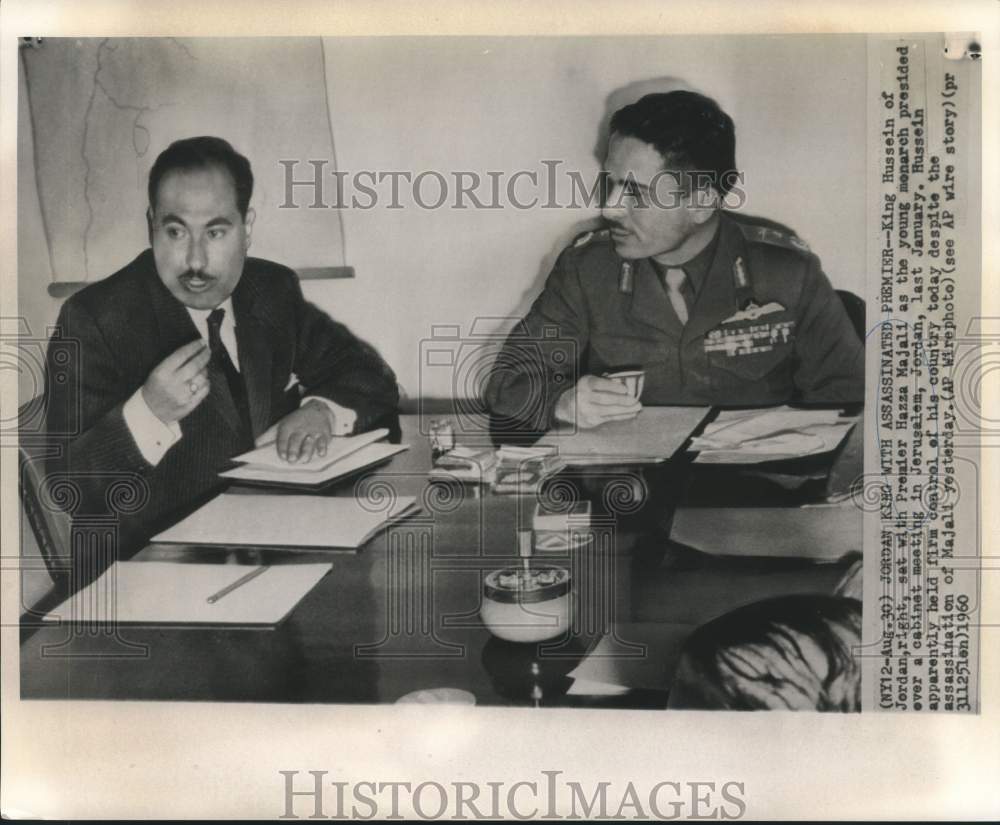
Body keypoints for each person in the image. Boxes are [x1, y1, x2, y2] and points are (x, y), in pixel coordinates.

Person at [43, 136, 399, 562]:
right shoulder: (95, 318)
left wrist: (319, 411)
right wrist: (149, 413)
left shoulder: (270, 289)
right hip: (153, 575)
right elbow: (68, 486)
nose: (194, 260)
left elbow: (368, 374)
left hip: (273, 548)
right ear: (150, 225)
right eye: (175, 231)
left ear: (247, 227)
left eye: (215, 231)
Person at [484, 91, 865, 436]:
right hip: (627, 491)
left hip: (756, 494)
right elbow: (509, 381)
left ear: (700, 203)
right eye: (611, 184)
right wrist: (560, 401)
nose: (610, 207)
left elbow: (850, 395)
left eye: (635, 192)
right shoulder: (587, 268)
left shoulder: (786, 271)